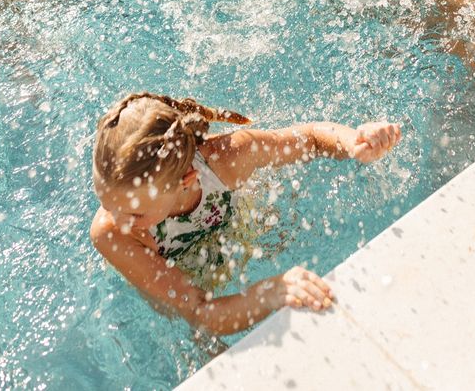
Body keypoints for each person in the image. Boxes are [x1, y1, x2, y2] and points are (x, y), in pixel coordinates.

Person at [90, 92, 401, 336]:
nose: (116, 220)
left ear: (186, 180)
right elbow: (200, 312)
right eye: (106, 202)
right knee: (199, 339)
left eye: (133, 212)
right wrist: (269, 292)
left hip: (228, 226)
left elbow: (310, 138)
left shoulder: (226, 159)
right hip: (171, 268)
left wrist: (355, 142)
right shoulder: (114, 235)